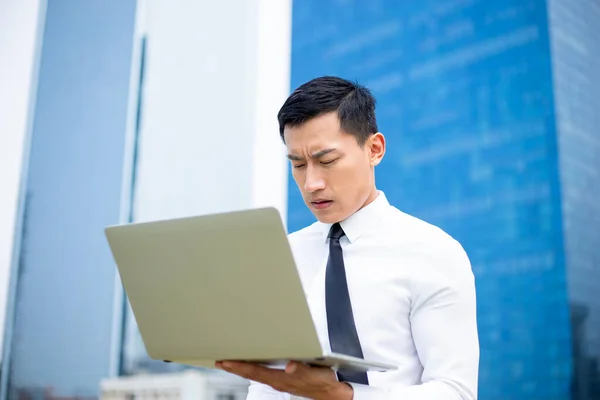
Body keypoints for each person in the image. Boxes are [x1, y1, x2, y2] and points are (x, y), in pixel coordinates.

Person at [215, 76, 479, 399]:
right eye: (298, 165)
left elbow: (456, 392)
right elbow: (267, 385)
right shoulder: (283, 256)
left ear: (374, 150)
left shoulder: (434, 252)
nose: (311, 183)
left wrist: (344, 396)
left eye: (326, 161)